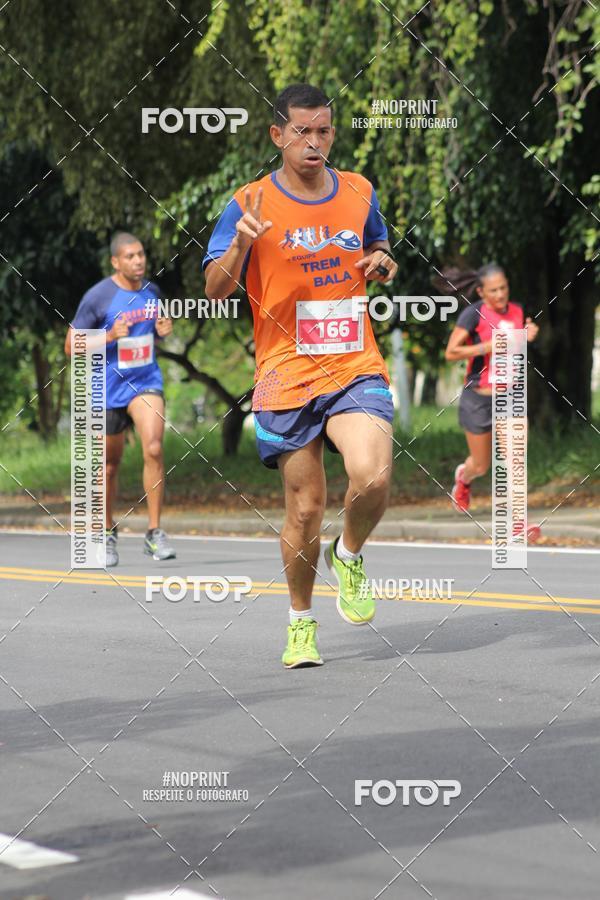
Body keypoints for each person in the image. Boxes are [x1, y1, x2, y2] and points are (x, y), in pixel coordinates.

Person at [203, 83, 398, 668]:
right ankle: (300, 620)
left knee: (374, 474)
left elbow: (380, 246)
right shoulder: (249, 202)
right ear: (277, 135)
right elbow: (214, 290)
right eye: (301, 132)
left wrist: (384, 260)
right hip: (284, 372)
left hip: (352, 362)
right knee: (306, 507)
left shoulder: (359, 191)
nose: (314, 142)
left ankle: (351, 551)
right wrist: (240, 246)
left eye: (324, 131)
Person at [65, 232, 176, 566]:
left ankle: (155, 533)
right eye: (130, 256)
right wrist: (109, 335)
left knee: (154, 447)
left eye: (141, 254)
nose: (138, 261)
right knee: (109, 467)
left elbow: (155, 332)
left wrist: (164, 329)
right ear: (116, 261)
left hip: (145, 383)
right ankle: (108, 530)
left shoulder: (152, 292)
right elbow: (71, 347)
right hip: (108, 388)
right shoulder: (98, 297)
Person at [443, 264, 541, 538]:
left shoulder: (518, 310)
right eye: (494, 290)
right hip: (478, 399)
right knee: (481, 465)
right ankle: (464, 477)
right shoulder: (472, 314)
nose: (500, 294)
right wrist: (486, 347)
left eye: (504, 288)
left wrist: (529, 332)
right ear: (481, 292)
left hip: (510, 395)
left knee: (515, 460)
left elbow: (519, 336)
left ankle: (519, 523)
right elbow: (451, 352)